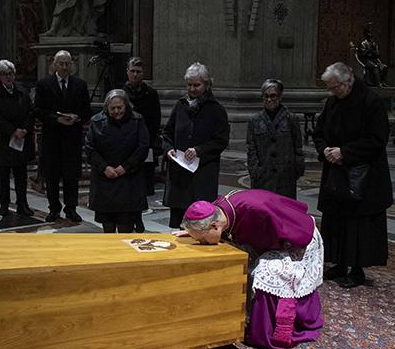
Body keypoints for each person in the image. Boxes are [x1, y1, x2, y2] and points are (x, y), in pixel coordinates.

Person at [179, 189, 324, 349]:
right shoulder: (218, 212)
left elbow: (279, 237)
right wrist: (193, 231)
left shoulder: (255, 211)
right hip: (273, 240)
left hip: (298, 239)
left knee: (266, 270)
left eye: (202, 238)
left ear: (214, 226)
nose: (202, 242)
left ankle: (266, 331)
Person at [313, 62, 392, 289]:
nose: (332, 92)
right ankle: (338, 263)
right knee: (336, 220)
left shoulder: (371, 102)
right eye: (329, 88)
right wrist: (325, 149)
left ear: (348, 82)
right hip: (336, 173)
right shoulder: (333, 102)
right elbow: (319, 132)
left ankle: (357, 269)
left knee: (358, 224)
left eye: (335, 87)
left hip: (363, 175)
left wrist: (345, 153)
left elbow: (377, 140)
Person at [162, 62, 230, 228]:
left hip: (202, 175)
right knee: (179, 223)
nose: (192, 89)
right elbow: (166, 134)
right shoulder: (180, 106)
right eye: (189, 85)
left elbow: (221, 140)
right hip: (179, 175)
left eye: (196, 85)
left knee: (201, 223)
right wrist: (169, 149)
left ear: (206, 84)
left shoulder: (217, 110)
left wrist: (199, 150)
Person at [34, 50, 91, 222]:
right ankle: (54, 209)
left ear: (72, 65)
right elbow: (38, 110)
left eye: (67, 63)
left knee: (71, 177)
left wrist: (77, 118)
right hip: (52, 137)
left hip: (72, 138)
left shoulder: (80, 85)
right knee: (52, 177)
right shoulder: (44, 84)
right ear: (54, 64)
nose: (64, 67)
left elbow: (86, 111)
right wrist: (57, 119)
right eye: (61, 63)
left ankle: (71, 209)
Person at [85, 89, 149, 232]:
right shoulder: (97, 121)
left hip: (129, 180)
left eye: (119, 107)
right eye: (112, 108)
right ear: (106, 107)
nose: (116, 111)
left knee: (126, 228)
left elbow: (142, 147)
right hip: (104, 181)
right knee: (108, 229)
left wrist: (125, 167)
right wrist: (104, 167)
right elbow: (90, 149)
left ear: (126, 106)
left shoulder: (137, 120)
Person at [0, 59, 35, 218]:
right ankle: (4, 205)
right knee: (3, 175)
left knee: (21, 175)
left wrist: (24, 129)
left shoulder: (22, 91)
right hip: (3, 140)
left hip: (21, 139)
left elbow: (30, 112)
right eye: (4, 75)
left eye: (10, 74)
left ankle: (23, 204)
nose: (8, 77)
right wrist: (13, 130)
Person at [246, 78, 304, 199]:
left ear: (280, 97)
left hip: (285, 177)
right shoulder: (255, 120)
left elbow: (298, 147)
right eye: (266, 96)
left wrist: (296, 170)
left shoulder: (290, 119)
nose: (269, 100)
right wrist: (255, 171)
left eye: (273, 96)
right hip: (263, 177)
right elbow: (251, 148)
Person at [123, 57, 159, 230]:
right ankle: (130, 216)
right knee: (128, 183)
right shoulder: (120, 93)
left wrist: (150, 144)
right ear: (127, 72)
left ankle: (139, 217)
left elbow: (155, 121)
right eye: (132, 71)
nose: (135, 74)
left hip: (146, 145)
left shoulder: (151, 94)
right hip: (125, 146)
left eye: (138, 72)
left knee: (143, 185)